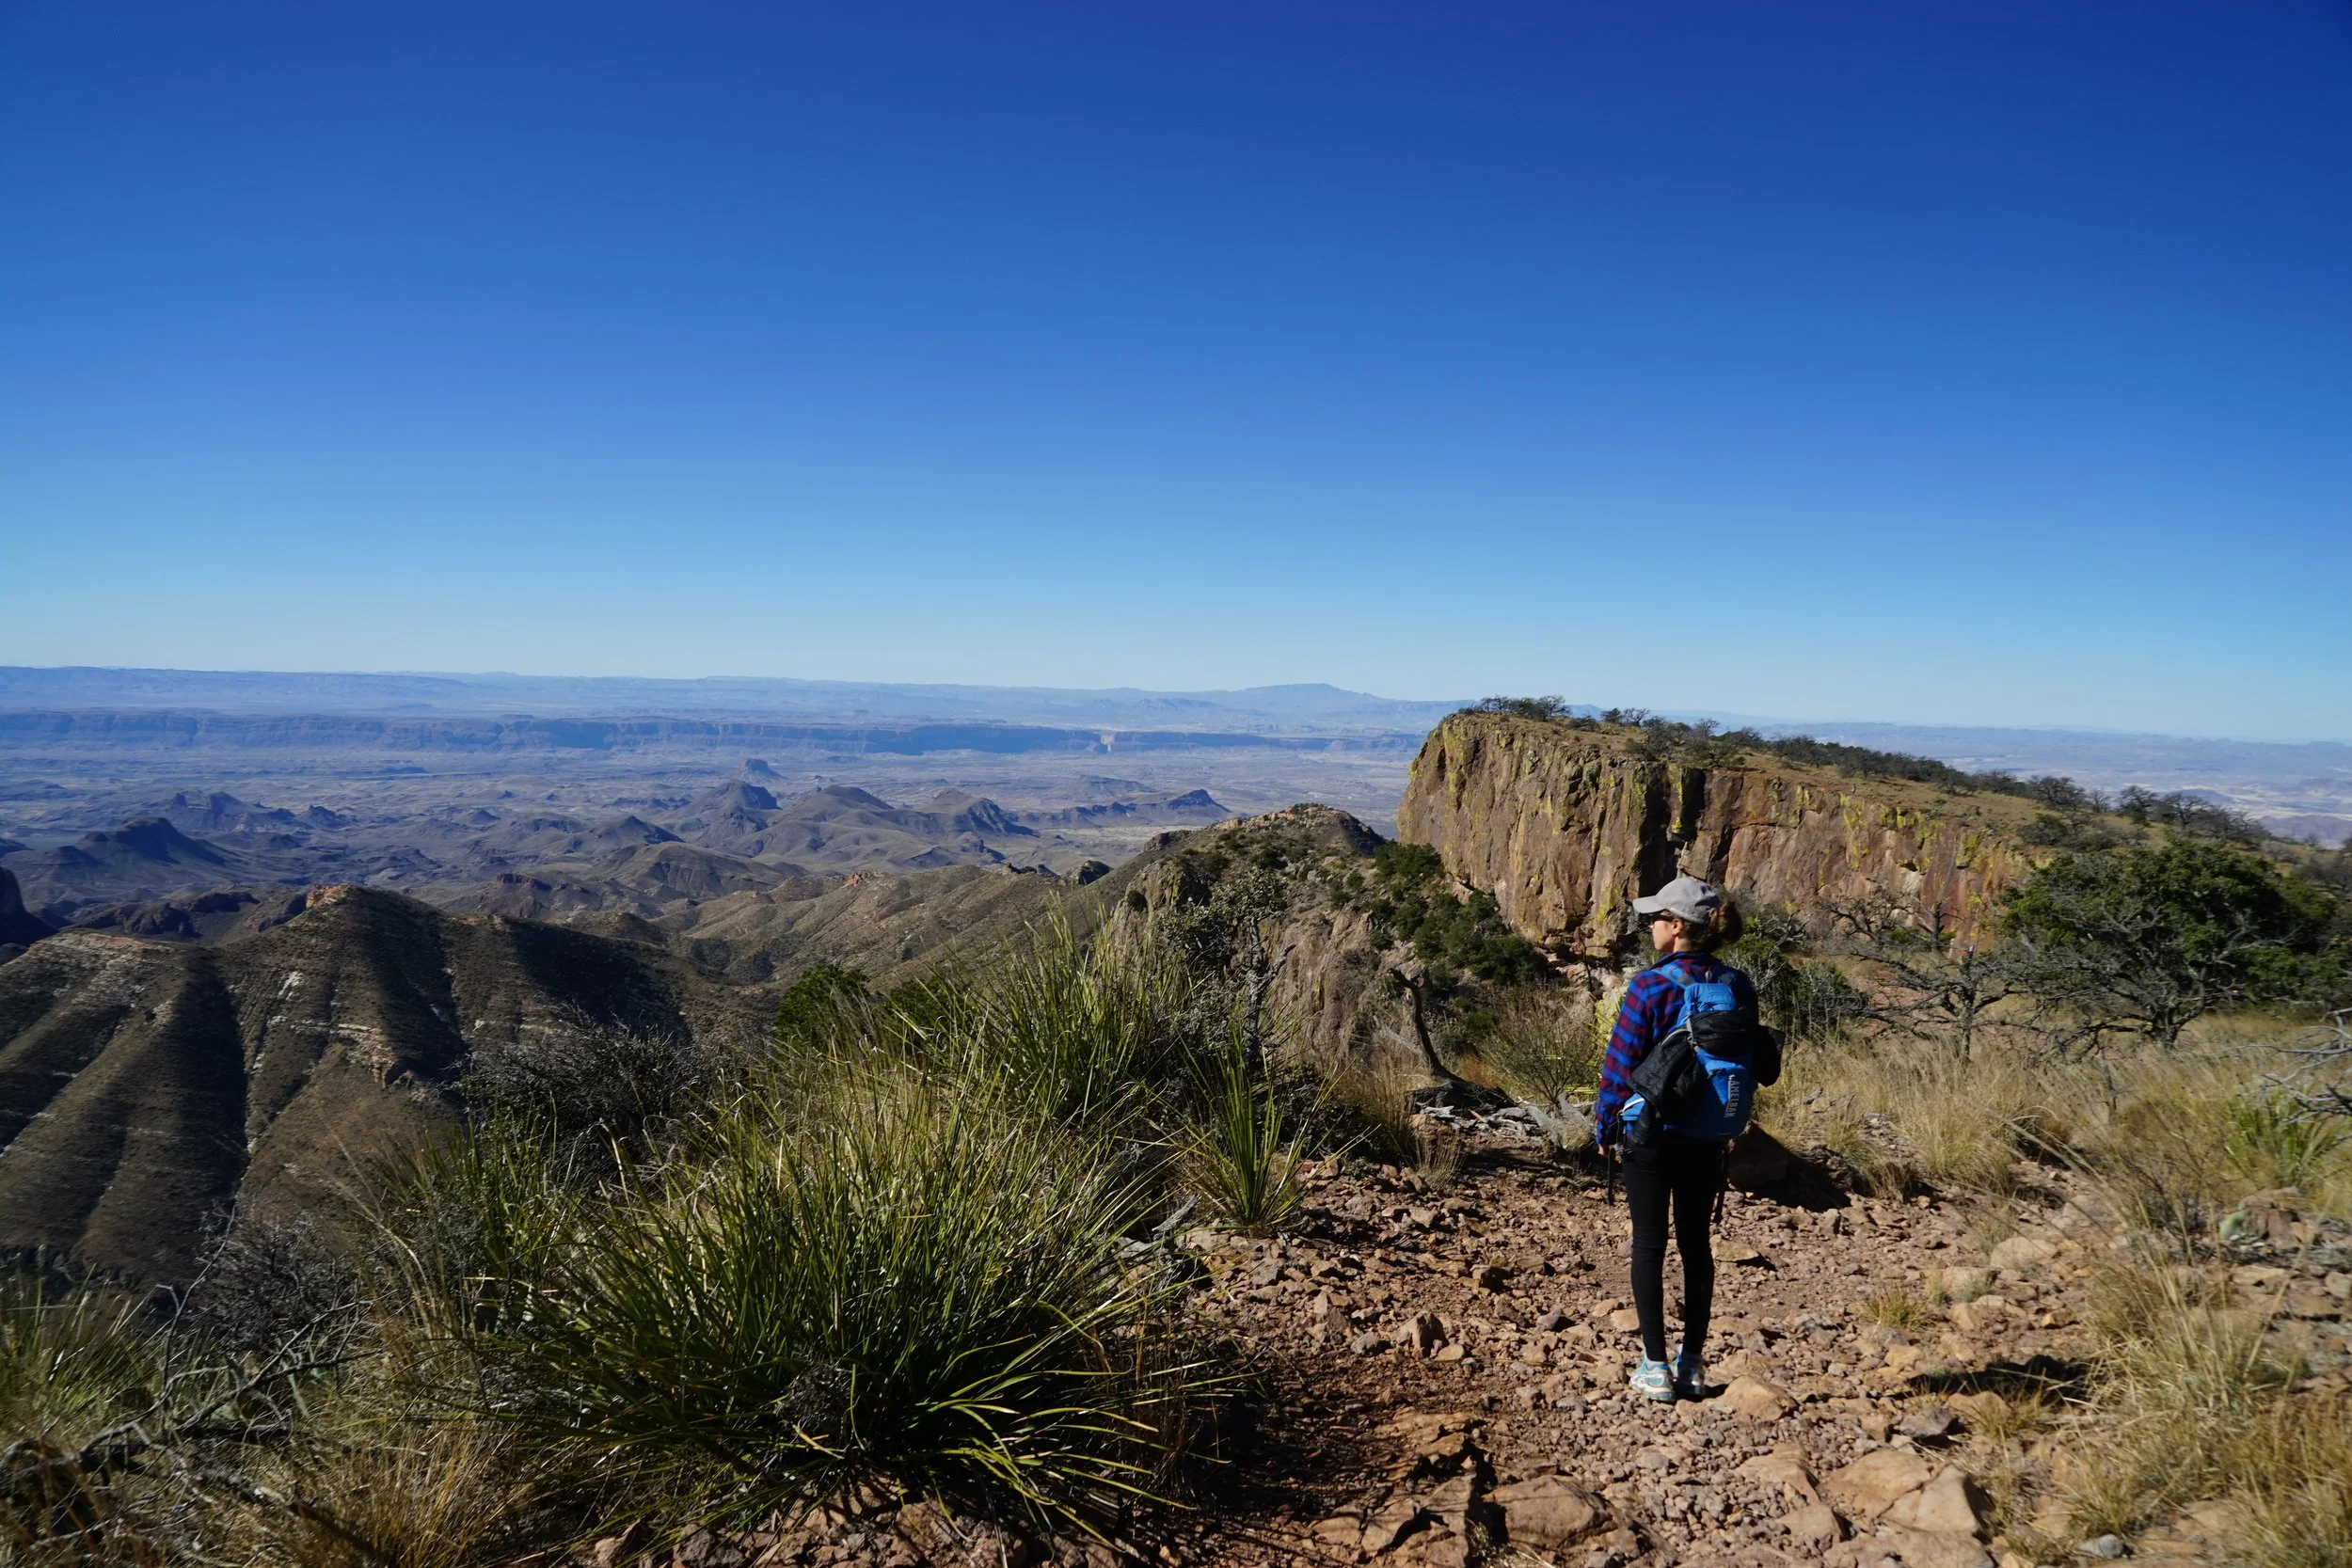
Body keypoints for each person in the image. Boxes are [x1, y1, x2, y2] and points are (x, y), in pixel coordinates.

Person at [1593, 874, 1772, 1402]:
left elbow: (1620, 1065)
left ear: (1677, 927)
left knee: (1649, 1243)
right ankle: (1690, 1364)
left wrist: (1605, 1126)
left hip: (1651, 1132)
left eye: (1656, 918)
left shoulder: (1650, 986)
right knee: (1697, 1245)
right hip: (1710, 1131)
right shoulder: (1737, 984)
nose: (1649, 925)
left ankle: (1654, 1367)